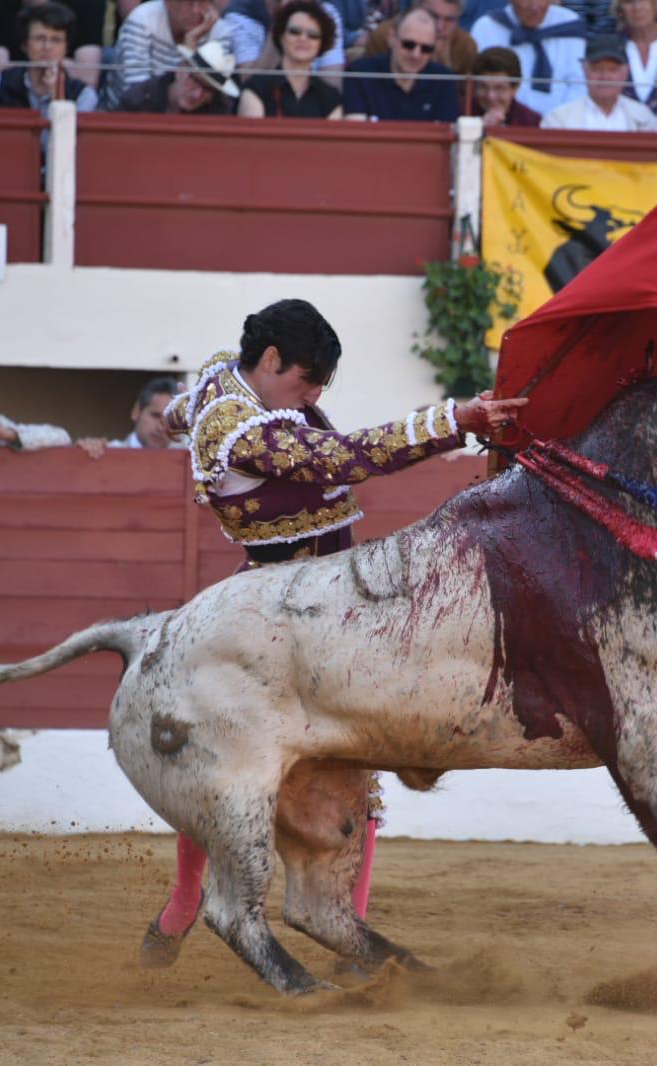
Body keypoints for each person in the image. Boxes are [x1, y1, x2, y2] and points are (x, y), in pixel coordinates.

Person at [140, 299, 528, 968]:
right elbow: (346, 457)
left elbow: (182, 408)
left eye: (320, 384)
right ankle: (229, 910)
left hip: (304, 593)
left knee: (229, 763)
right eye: (306, 381)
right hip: (296, 615)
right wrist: (452, 419)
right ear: (268, 361)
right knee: (315, 763)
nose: (314, 395)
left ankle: (189, 908)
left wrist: (179, 417)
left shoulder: (216, 379)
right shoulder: (239, 430)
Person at [103, 0, 234, 109]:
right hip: (123, 120)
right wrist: (187, 58)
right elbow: (135, 98)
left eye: (203, 2)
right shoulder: (142, 21)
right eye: (186, 2)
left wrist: (191, 47)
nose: (195, 11)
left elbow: (215, 95)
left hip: (192, 123)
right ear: (167, 2)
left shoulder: (220, 32)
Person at [470, 0, 587, 115]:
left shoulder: (570, 24)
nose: (534, 6)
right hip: (507, 121)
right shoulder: (486, 28)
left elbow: (579, 86)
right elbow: (479, 87)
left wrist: (558, 120)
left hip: (561, 125)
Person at [344, 6, 461, 118]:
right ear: (392, 38)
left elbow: (448, 133)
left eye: (426, 49)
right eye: (409, 45)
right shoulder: (360, 74)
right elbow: (356, 133)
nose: (416, 55)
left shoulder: (444, 80)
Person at [0, 2, 98, 114]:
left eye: (56, 40)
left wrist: (57, 97)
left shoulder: (84, 95)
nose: (47, 47)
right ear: (25, 45)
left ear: (66, 48)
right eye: (39, 38)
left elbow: (71, 131)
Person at [240, 0, 346, 116]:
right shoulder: (256, 88)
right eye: (295, 32)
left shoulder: (330, 97)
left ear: (322, 43)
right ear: (281, 35)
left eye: (313, 35)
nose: (303, 38)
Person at [541, 32, 657, 127]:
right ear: (584, 70)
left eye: (612, 70)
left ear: (626, 73)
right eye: (597, 69)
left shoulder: (644, 118)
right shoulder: (558, 120)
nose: (605, 77)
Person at [0, 0, 105, 87]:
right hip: (16, 97)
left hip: (70, 97)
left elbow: (87, 79)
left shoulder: (88, 4)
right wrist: (60, 64)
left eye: (55, 40)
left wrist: (35, 64)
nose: (47, 47)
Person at [224, 0, 344, 76]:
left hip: (313, 103)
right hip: (263, 107)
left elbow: (333, 83)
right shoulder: (240, 15)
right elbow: (250, 82)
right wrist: (283, 18)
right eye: (295, 32)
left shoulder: (326, 11)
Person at [117, 39, 243, 111]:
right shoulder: (138, 100)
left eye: (208, 90)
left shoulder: (218, 110)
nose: (196, 94)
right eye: (194, 80)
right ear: (180, 69)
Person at [76, 378, 188, 458]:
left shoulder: (189, 460)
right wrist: (86, 450)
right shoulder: (108, 451)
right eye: (155, 415)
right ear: (136, 412)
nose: (161, 428)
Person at [366, 0, 478, 75]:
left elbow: (465, 99)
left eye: (449, 19)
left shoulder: (466, 46)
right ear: (415, 8)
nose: (439, 27)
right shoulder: (384, 35)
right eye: (433, 16)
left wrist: (443, 66)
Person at [469, 44, 545, 122]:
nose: (490, 96)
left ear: (515, 88)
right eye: (483, 87)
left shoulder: (532, 122)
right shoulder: (460, 112)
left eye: (499, 88)